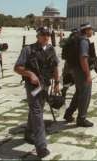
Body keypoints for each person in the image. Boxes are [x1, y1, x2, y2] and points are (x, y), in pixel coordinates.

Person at [14, 26, 61, 158]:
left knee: (37, 109)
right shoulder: (28, 49)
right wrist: (29, 74)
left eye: (48, 34)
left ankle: (29, 133)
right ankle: (41, 147)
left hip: (45, 85)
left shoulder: (51, 49)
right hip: (33, 87)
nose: (46, 37)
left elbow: (55, 66)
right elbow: (17, 68)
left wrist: (57, 83)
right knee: (37, 113)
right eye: (43, 34)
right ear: (37, 36)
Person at [63, 23, 95, 127]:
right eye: (90, 29)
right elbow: (83, 58)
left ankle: (69, 113)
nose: (92, 31)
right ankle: (81, 118)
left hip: (74, 69)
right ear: (86, 31)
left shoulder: (76, 39)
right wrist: (88, 74)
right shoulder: (84, 40)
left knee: (79, 92)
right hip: (81, 70)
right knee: (85, 94)